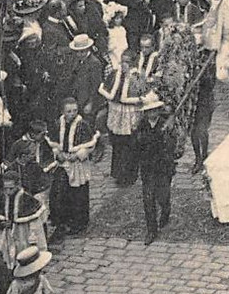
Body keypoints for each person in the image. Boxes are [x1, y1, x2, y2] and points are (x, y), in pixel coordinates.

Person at [49, 97, 100, 237]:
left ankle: (79, 223)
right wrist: (57, 153)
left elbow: (90, 145)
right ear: (63, 112)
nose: (72, 114)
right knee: (59, 191)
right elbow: (53, 143)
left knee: (78, 193)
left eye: (75, 111)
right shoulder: (58, 124)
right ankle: (62, 221)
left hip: (77, 163)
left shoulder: (83, 125)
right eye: (69, 111)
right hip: (63, 162)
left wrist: (78, 155)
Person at [98, 51, 144, 188]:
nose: (124, 65)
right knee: (117, 144)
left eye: (127, 62)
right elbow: (106, 90)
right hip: (116, 112)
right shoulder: (114, 74)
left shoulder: (137, 77)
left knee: (129, 145)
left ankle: (129, 175)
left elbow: (143, 95)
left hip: (130, 114)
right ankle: (118, 173)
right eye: (122, 61)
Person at [137, 94, 176, 246]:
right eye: (149, 111)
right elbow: (137, 145)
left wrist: (166, 135)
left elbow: (172, 146)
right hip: (148, 167)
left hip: (163, 167)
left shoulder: (165, 125)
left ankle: (166, 210)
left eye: (154, 110)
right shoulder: (141, 126)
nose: (152, 113)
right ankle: (151, 229)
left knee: (163, 196)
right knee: (148, 198)